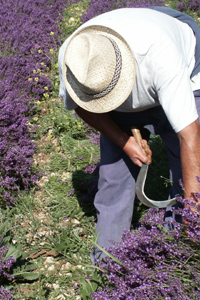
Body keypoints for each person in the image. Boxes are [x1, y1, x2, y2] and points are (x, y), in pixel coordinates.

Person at [58, 6, 200, 263]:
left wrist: (194, 207)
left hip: (183, 62)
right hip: (137, 67)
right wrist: (124, 142)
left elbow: (190, 136)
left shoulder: (160, 56)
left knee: (186, 164)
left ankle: (183, 243)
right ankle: (107, 261)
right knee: (114, 177)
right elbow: (80, 105)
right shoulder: (75, 58)